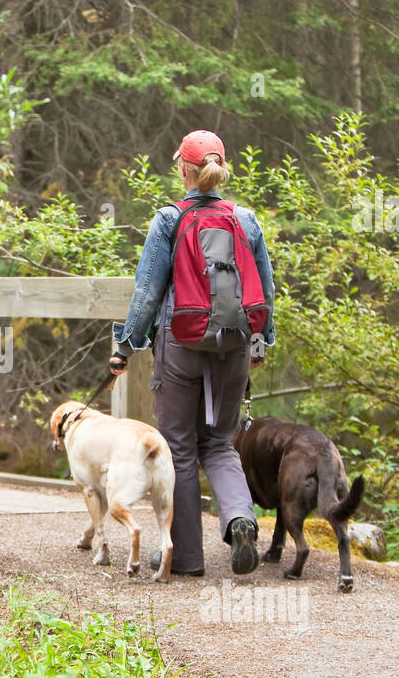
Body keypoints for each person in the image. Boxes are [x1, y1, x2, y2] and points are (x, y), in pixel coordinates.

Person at [109, 130, 276, 577]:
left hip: (179, 345)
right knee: (220, 445)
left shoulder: (169, 219)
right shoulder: (245, 219)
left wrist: (125, 346)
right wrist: (261, 342)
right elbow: (266, 289)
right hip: (235, 344)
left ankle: (184, 557)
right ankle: (240, 519)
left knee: (180, 451)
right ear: (221, 170)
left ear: (182, 168)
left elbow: (147, 294)